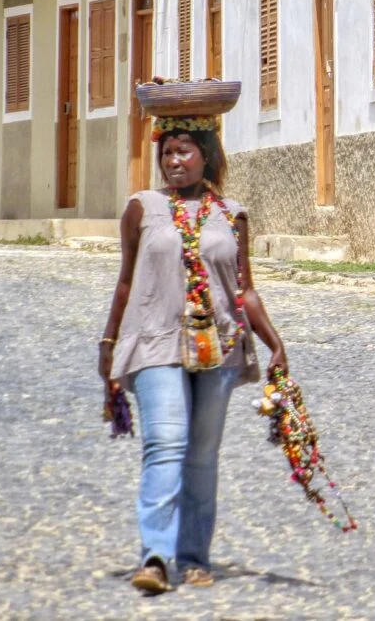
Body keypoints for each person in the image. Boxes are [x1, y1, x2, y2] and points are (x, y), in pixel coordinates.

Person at [98, 95, 288, 593]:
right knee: (166, 443)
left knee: (202, 455)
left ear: (207, 154)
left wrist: (274, 343)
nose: (174, 161)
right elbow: (124, 282)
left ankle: (194, 555)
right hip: (156, 342)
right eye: (167, 152)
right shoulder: (142, 208)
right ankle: (156, 557)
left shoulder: (232, 214)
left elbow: (244, 288)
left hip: (219, 347)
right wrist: (108, 342)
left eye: (184, 151)